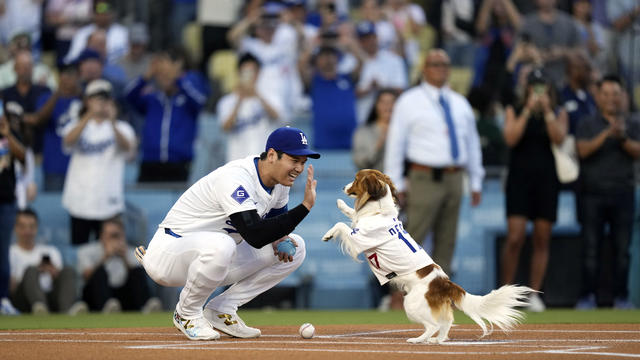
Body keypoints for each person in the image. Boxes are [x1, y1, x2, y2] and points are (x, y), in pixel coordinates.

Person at [137, 126, 320, 340]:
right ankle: (186, 314)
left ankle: (222, 309)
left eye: (303, 162)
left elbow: (274, 228)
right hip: (170, 254)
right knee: (222, 244)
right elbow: (255, 235)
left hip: (215, 258)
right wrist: (305, 206)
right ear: (272, 155)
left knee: (297, 248)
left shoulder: (280, 184)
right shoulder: (236, 177)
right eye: (294, 160)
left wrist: (281, 240)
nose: (299, 168)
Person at [383, 49, 484, 276]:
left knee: (447, 239)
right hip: (424, 176)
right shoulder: (409, 101)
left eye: (445, 64)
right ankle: (399, 295)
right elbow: (396, 144)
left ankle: (439, 296)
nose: (441, 68)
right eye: (435, 64)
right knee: (413, 237)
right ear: (424, 69)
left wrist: (476, 180)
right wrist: (394, 184)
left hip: (454, 176)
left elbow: (472, 144)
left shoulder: (460, 103)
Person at [501, 68, 568, 312]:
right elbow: (510, 138)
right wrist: (529, 109)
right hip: (520, 179)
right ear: (527, 88)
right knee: (515, 237)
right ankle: (506, 294)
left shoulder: (558, 111)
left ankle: (534, 294)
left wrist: (548, 110)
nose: (538, 90)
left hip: (547, 180)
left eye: (542, 86)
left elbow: (559, 139)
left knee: (542, 238)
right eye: (534, 86)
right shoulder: (515, 109)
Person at [575, 75, 640, 310]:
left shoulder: (632, 124)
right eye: (606, 94)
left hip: (623, 192)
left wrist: (621, 136)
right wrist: (607, 134)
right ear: (598, 96)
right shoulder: (587, 123)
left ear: (622, 96)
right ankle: (587, 297)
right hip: (592, 194)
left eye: (616, 94)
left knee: (623, 250)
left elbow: (637, 151)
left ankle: (621, 297)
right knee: (590, 249)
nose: (611, 99)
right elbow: (582, 150)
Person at [61, 79, 136, 245]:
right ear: (87, 101)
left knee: (107, 248)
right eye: (96, 99)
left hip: (108, 202)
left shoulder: (122, 128)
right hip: (79, 200)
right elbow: (68, 142)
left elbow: (129, 151)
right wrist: (88, 114)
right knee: (79, 250)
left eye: (105, 99)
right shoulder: (76, 125)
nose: (101, 104)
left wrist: (112, 121)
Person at [125, 46, 209, 183]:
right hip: (149, 162)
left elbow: (200, 102)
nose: (164, 78)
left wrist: (178, 78)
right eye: (161, 74)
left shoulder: (187, 99)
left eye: (168, 73)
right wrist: (147, 75)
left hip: (179, 163)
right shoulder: (152, 99)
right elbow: (128, 96)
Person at [9, 209, 87, 315]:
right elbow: (10, 287)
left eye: (31, 227)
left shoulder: (51, 251)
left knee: (68, 270)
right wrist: (36, 271)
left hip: (50, 295)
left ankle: (67, 309)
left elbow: (60, 280)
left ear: (36, 228)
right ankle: (39, 306)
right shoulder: (10, 253)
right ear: (16, 228)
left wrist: (53, 272)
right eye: (23, 227)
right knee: (31, 270)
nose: (27, 231)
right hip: (24, 298)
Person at [77, 217, 160, 313]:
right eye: (110, 235)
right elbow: (86, 276)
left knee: (137, 270)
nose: (113, 239)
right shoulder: (87, 251)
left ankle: (146, 305)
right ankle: (106, 306)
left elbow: (139, 277)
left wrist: (124, 257)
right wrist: (105, 256)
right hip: (96, 296)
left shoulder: (130, 251)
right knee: (99, 272)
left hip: (123, 296)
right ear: (101, 235)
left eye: (116, 235)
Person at [217, 53, 284, 162]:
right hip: (237, 162)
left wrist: (257, 95)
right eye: (246, 72)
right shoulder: (227, 101)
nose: (250, 76)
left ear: (259, 73)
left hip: (264, 161)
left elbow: (278, 116)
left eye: (253, 72)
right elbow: (226, 127)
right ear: (239, 73)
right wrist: (239, 100)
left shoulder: (270, 96)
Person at [0, 103, 26, 315]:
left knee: (2, 253)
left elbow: (22, 156)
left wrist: (7, 133)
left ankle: (4, 299)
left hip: (5, 199)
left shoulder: (7, 130)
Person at [352, 89, 397, 171]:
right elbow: (360, 162)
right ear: (376, 105)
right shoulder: (363, 132)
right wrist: (378, 145)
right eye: (383, 102)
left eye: (392, 102)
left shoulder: (406, 132)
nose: (388, 106)